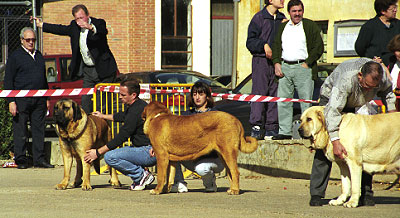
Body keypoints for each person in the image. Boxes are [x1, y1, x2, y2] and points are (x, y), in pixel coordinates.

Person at [309, 58, 397, 206]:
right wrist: (335, 141)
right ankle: (317, 194)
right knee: (324, 146)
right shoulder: (346, 79)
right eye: (367, 85)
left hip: (357, 104)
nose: (370, 90)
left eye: (373, 88)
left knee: (365, 147)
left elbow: (388, 93)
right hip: (331, 103)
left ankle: (366, 194)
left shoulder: (380, 79)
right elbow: (333, 112)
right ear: (360, 76)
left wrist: (392, 116)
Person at [32, 4, 118, 113]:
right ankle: (88, 126)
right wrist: (42, 25)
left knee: (103, 104)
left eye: (81, 18)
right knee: (86, 102)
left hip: (104, 69)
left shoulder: (98, 23)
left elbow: (102, 31)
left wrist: (90, 27)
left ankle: (105, 126)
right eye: (77, 18)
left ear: (87, 15)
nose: (79, 21)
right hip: (88, 70)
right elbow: (60, 29)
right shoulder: (74, 27)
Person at [83, 79, 156, 191]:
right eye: (119, 94)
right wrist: (102, 116)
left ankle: (141, 175)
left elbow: (121, 137)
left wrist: (98, 152)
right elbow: (122, 116)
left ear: (133, 95)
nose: (119, 97)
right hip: (146, 148)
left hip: (148, 151)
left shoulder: (135, 111)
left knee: (110, 157)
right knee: (122, 153)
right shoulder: (138, 106)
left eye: (123, 95)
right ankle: (141, 177)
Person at [271, 0, 324, 140]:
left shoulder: (309, 26)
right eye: (294, 11)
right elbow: (276, 46)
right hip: (285, 66)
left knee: (305, 102)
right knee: (283, 100)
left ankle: (308, 133)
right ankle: (285, 132)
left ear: (303, 11)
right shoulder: (283, 27)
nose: (297, 14)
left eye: (299, 11)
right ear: (289, 12)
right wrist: (276, 63)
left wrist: (308, 63)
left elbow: (318, 47)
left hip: (303, 67)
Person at [4, 27, 54, 169]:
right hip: (21, 100)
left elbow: (43, 79)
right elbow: (8, 80)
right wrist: (11, 101)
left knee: (39, 129)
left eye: (33, 40)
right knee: (20, 130)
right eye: (28, 40)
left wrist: (47, 98)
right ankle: (21, 159)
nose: (31, 42)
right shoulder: (15, 57)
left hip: (39, 100)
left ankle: (39, 159)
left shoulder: (39, 56)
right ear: (22, 40)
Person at [171, 81, 225, 193]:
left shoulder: (216, 114)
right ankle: (180, 183)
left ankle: (210, 184)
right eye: (195, 94)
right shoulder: (187, 114)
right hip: (192, 157)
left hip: (213, 158)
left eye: (201, 94)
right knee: (171, 154)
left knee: (202, 168)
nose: (197, 97)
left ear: (207, 96)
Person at [246, 0, 286, 140]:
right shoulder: (259, 18)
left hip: (277, 62)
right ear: (270, 0)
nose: (283, 0)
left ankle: (271, 128)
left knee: (275, 94)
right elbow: (250, 42)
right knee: (259, 92)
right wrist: (263, 45)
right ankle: (256, 127)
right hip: (261, 61)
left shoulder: (282, 19)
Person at [355, 0, 400, 66]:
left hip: (396, 65)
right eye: (392, 9)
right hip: (377, 67)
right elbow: (360, 48)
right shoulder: (369, 27)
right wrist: (371, 59)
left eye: (396, 7)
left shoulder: (398, 24)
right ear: (383, 11)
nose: (395, 10)